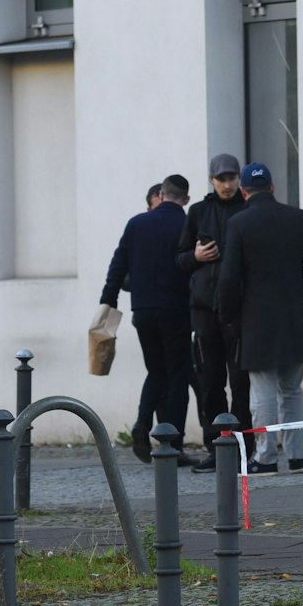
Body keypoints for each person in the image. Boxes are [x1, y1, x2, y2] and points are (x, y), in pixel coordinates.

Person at [217, 162, 303, 474]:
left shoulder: (239, 224)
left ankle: (266, 457)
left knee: (263, 391)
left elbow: (228, 279)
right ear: (272, 187)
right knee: (292, 390)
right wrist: (302, 294)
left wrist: (228, 315)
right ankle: (296, 455)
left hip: (256, 319)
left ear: (243, 191)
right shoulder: (297, 217)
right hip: (293, 318)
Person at [100, 174, 196, 465]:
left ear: (162, 194)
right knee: (178, 374)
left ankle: (142, 423)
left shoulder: (136, 224)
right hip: (177, 310)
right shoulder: (187, 224)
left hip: (142, 311)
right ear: (186, 200)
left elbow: (117, 267)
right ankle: (172, 443)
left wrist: (108, 302)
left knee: (156, 371)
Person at [178, 153, 249, 471]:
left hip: (240, 309)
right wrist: (195, 255)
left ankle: (243, 444)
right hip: (204, 309)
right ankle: (216, 446)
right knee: (209, 381)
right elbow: (178, 261)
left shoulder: (248, 210)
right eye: (222, 179)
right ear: (211, 180)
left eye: (232, 178)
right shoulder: (198, 212)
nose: (228, 184)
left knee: (242, 380)